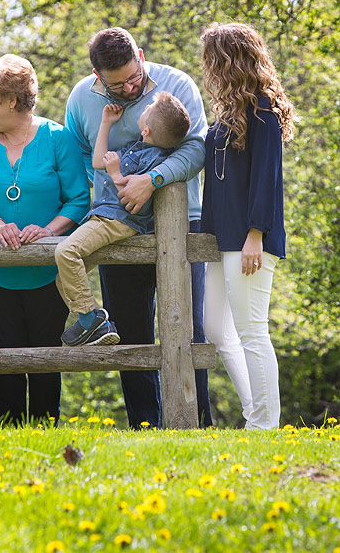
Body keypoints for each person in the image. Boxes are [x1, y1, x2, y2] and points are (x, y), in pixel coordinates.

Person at [64, 27, 213, 429]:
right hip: (115, 221)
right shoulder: (81, 99)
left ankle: (199, 422)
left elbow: (197, 146)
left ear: (142, 56)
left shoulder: (177, 84)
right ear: (97, 77)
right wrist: (100, 206)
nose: (130, 89)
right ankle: (144, 425)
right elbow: (78, 158)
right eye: (117, 84)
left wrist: (153, 180)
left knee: (190, 324)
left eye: (135, 77)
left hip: (180, 223)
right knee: (130, 329)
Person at [0, 54, 90, 426]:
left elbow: (79, 197)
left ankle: (46, 428)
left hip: (48, 271)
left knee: (46, 355)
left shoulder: (57, 137)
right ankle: (11, 428)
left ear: (12, 101)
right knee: (6, 356)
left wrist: (50, 231)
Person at [199, 22, 295, 430]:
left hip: (250, 240)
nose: (206, 68)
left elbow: (266, 178)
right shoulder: (228, 114)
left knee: (252, 332)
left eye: (210, 59)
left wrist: (256, 234)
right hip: (222, 239)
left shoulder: (263, 111)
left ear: (227, 60)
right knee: (216, 329)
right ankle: (254, 413)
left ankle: (265, 425)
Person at [55, 92, 191, 347]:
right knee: (64, 276)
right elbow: (97, 161)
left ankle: (89, 318)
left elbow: (131, 199)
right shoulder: (135, 148)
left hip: (116, 221)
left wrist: (116, 172)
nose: (144, 105)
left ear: (147, 129)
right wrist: (106, 123)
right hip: (103, 218)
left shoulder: (154, 159)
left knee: (66, 252)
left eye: (148, 107)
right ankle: (93, 321)